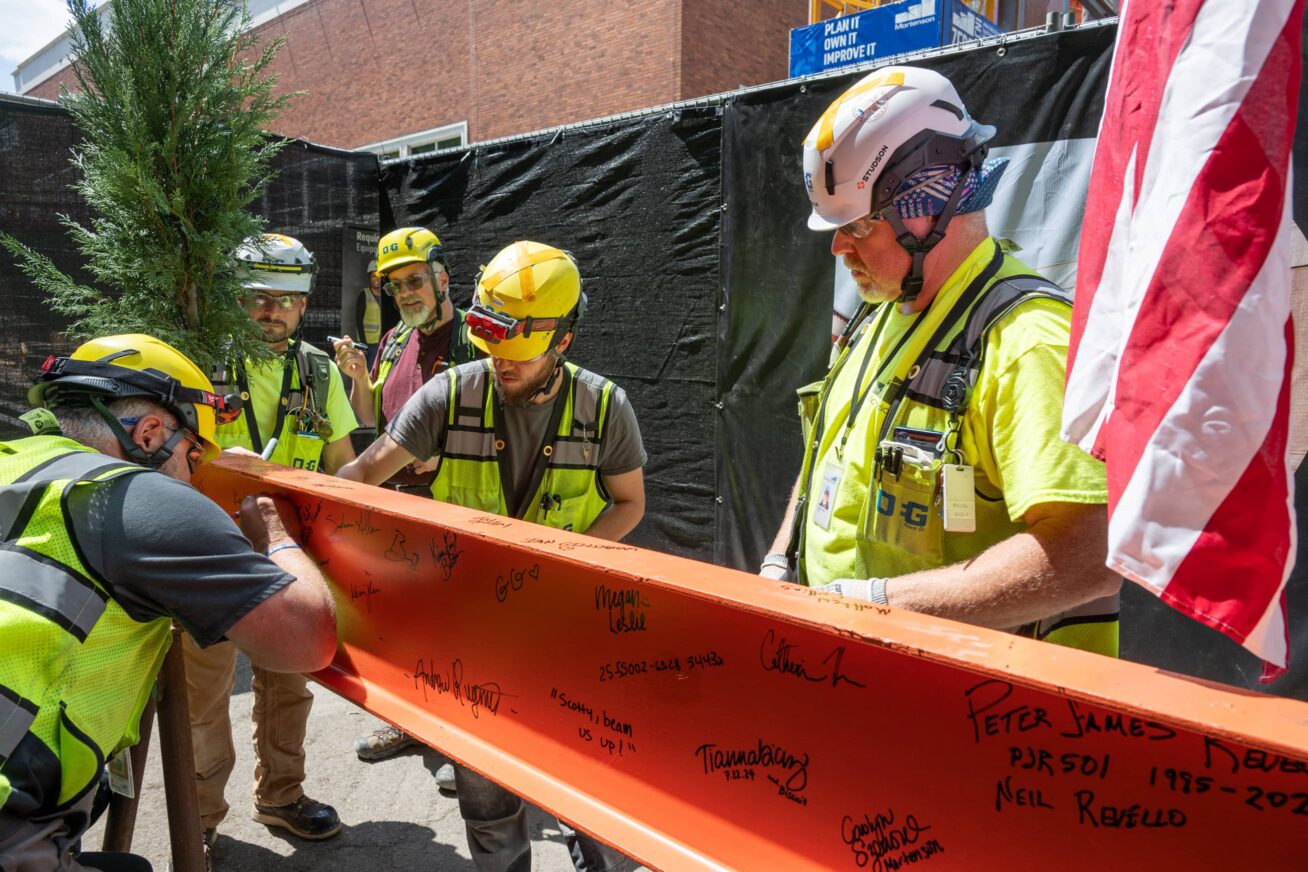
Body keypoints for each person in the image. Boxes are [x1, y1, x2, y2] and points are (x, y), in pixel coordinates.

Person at [763, 65, 1121, 656]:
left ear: (927, 205)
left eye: (858, 224)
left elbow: (1092, 553)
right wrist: (782, 558)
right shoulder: (875, 317)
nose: (838, 246)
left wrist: (881, 606)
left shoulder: (1028, 342)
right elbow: (826, 457)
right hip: (854, 679)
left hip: (973, 711)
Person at [339, 241, 644, 872]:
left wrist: (558, 558)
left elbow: (629, 504)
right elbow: (362, 475)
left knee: (592, 793)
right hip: (470, 637)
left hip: (565, 627)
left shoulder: (605, 408)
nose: (500, 362)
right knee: (487, 801)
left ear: (563, 339)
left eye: (518, 349)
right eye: (490, 343)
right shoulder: (450, 396)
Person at [0, 334, 336, 872]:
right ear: (151, 432)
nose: (196, 472)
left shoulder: (13, 464)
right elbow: (307, 642)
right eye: (194, 452)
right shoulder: (141, 498)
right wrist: (276, 536)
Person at [183, 234, 358, 854]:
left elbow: (343, 466)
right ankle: (198, 817)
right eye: (258, 295)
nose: (270, 309)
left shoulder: (320, 373)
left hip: (285, 555)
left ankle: (282, 796)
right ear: (236, 295)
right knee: (201, 698)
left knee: (289, 683)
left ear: (305, 304)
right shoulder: (198, 366)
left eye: (285, 299)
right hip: (206, 557)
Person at [336, 227, 479, 765]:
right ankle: (406, 722)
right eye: (395, 286)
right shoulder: (394, 339)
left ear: (443, 278)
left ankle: (462, 749)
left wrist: (447, 455)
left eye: (416, 279)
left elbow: (508, 424)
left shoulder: (474, 339)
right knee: (399, 625)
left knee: (457, 628)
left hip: (454, 507)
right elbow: (373, 420)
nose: (407, 293)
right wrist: (355, 377)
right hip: (395, 508)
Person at [352, 257, 399, 368]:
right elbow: (358, 321)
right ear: (369, 277)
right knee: (370, 371)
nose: (376, 279)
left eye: (378, 276)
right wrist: (363, 344)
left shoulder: (387, 295)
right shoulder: (364, 294)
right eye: (373, 276)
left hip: (384, 341)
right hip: (369, 343)